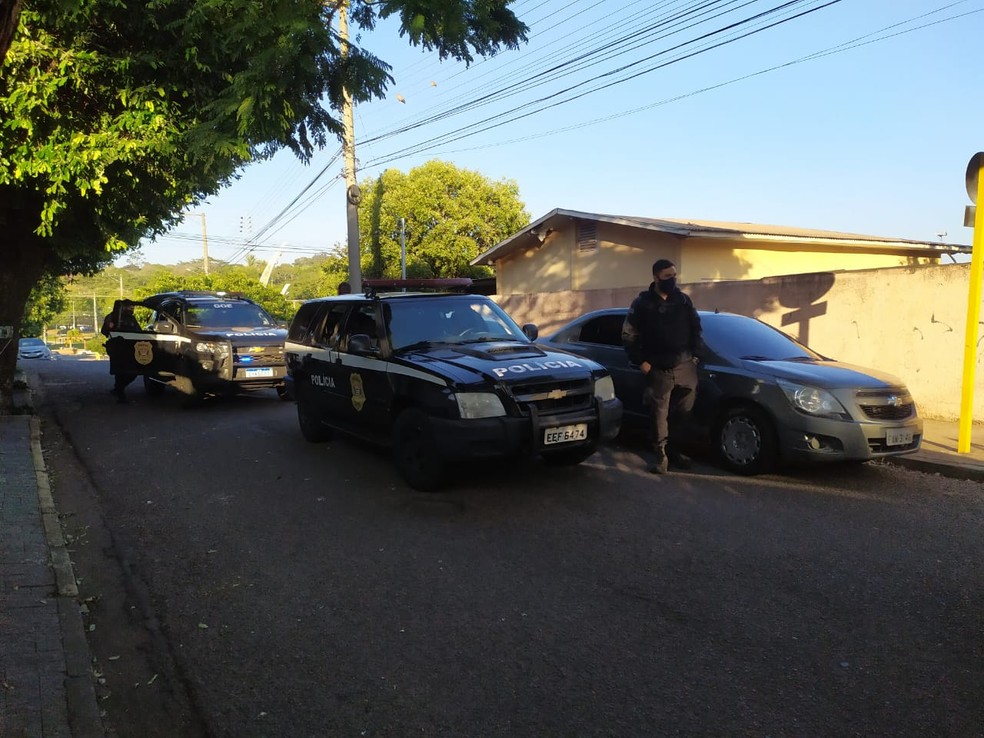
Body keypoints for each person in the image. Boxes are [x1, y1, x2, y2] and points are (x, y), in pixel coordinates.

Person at [622, 259, 703, 474]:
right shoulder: (642, 303)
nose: (673, 280)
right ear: (656, 277)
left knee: (683, 414)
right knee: (659, 417)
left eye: (674, 275)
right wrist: (642, 361)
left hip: (685, 368)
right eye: (668, 276)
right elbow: (628, 335)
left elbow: (696, 329)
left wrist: (695, 357)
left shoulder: (684, 301)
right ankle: (661, 457)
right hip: (658, 369)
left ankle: (676, 452)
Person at [100, 300, 141, 403]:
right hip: (117, 348)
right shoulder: (112, 317)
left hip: (130, 349)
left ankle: (118, 389)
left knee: (132, 372)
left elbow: (139, 331)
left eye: (132, 308)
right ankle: (120, 394)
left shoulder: (131, 319)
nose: (132, 309)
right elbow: (104, 331)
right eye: (129, 307)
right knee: (120, 371)